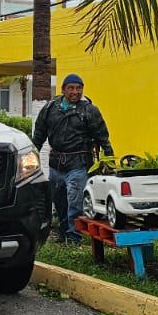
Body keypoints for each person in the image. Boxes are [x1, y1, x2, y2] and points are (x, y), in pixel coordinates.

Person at [32, 74, 112, 244]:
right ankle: (63, 231)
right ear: (63, 90)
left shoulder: (89, 110)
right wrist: (32, 158)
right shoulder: (50, 108)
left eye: (79, 88)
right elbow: (39, 135)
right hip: (56, 164)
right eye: (71, 88)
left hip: (79, 163)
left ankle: (74, 237)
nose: (75, 92)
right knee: (59, 201)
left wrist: (109, 159)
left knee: (75, 203)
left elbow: (102, 137)